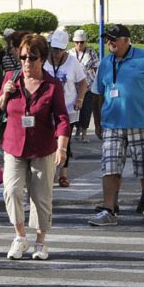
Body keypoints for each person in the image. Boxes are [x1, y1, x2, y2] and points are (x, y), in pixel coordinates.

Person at [0, 33, 70, 260]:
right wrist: (4, 94)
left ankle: (40, 241)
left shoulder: (52, 85)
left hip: (42, 147)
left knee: (41, 196)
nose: (27, 62)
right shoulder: (11, 78)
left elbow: (63, 118)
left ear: (42, 59)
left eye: (32, 57)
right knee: (11, 190)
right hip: (14, 144)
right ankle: (19, 237)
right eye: (23, 56)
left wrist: (62, 147)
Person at [87, 24, 144, 226]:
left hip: (140, 121)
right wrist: (97, 122)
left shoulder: (143, 58)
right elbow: (97, 94)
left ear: (126, 40)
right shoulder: (105, 62)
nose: (110, 43)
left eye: (114, 39)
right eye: (108, 39)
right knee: (110, 167)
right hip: (112, 124)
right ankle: (109, 209)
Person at [43, 30, 85, 187]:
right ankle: (49, 171)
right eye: (54, 49)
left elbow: (82, 82)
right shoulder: (43, 60)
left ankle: (63, 173)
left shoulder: (72, 61)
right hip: (47, 107)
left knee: (64, 140)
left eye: (60, 50)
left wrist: (80, 99)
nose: (57, 53)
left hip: (67, 107)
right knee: (49, 139)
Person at [69, 29, 99, 142]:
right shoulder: (69, 53)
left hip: (88, 86)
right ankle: (77, 130)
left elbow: (96, 68)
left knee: (86, 110)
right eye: (77, 42)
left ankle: (84, 133)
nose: (79, 44)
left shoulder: (91, 53)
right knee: (75, 109)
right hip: (73, 88)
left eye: (82, 42)